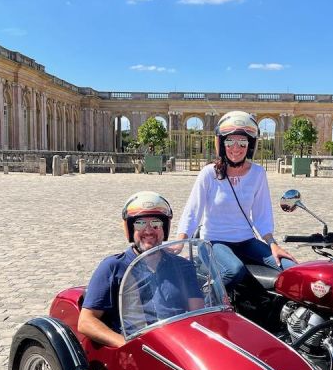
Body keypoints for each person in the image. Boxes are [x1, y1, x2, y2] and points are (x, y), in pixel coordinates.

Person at [176, 111, 297, 288]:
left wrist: (273, 244)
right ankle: (204, 298)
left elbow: (261, 214)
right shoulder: (210, 173)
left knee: (291, 268)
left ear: (250, 145)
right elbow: (193, 211)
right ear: (221, 144)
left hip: (246, 241)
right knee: (234, 271)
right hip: (213, 241)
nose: (236, 148)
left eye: (242, 142)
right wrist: (180, 243)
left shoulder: (258, 173)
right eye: (230, 141)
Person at [78, 191, 204, 348]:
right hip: (137, 350)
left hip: (179, 344)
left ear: (165, 228)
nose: (149, 230)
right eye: (140, 224)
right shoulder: (113, 267)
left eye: (156, 223)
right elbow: (86, 321)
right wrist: (125, 343)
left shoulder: (183, 266)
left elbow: (198, 314)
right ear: (130, 229)